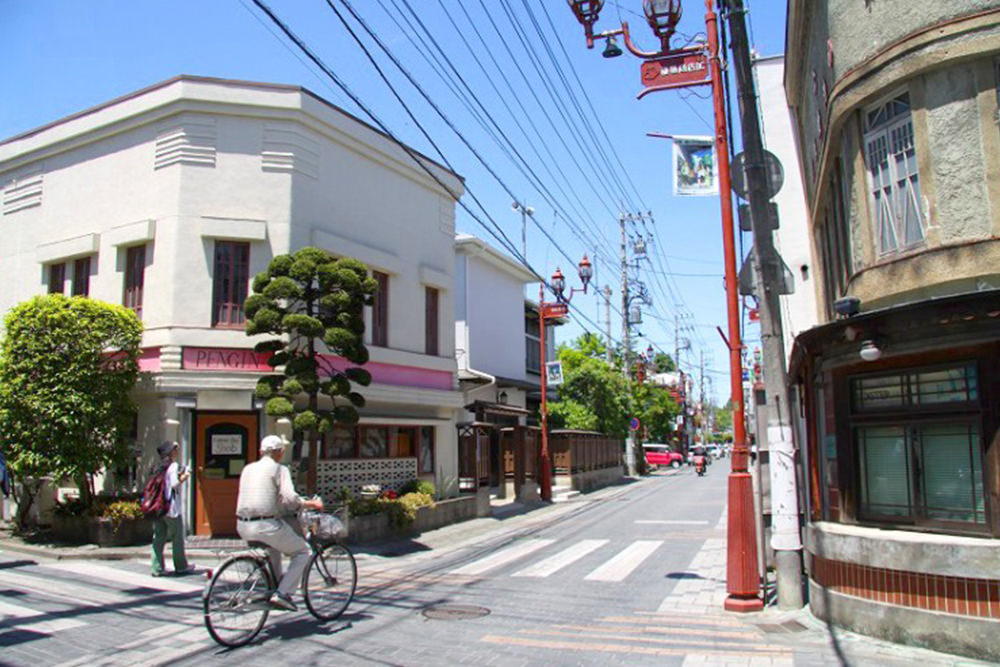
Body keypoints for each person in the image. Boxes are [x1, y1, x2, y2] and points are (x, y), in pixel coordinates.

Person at [235, 435, 323, 611]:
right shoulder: (279, 469)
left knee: (273, 549)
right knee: (303, 551)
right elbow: (290, 499)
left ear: (261, 452)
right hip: (265, 525)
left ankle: (273, 589)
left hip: (242, 525)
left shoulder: (248, 469)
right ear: (279, 453)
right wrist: (310, 503)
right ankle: (282, 594)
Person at [151, 441, 194, 577]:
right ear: (170, 452)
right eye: (175, 449)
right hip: (171, 509)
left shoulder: (157, 466)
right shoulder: (173, 466)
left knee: (158, 538)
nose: (177, 451)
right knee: (177, 538)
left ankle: (157, 568)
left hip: (158, 508)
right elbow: (174, 483)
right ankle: (181, 566)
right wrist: (185, 476)